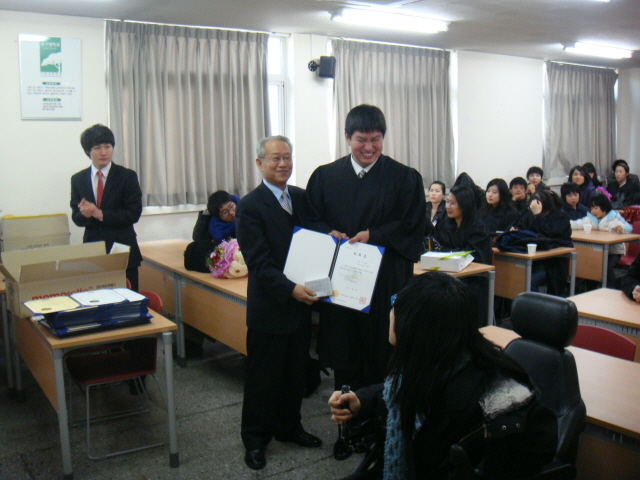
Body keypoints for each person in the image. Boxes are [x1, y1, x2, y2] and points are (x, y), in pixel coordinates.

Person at [328, 272, 557, 480]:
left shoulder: (493, 401)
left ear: (419, 326)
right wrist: (363, 401)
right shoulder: (434, 362)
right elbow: (408, 390)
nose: (391, 313)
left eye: (396, 306)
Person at [306, 104, 426, 392]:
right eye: (361, 139)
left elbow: (413, 223)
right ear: (347, 137)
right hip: (341, 282)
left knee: (383, 352)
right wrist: (327, 233)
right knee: (344, 351)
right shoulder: (325, 176)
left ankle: (381, 414)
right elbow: (310, 217)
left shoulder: (404, 177)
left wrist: (375, 235)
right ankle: (345, 414)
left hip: (385, 279)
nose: (369, 147)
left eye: (376, 139)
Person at [236, 135, 322, 470]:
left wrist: (333, 238)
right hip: (271, 307)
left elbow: (316, 235)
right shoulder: (250, 205)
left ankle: (290, 427)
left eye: (287, 157)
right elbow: (258, 263)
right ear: (260, 163)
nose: (283, 163)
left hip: (300, 306)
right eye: (275, 158)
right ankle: (255, 440)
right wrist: (290, 290)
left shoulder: (299, 197)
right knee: (263, 378)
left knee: (295, 373)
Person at [70, 124, 143, 291]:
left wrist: (99, 213)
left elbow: (133, 214)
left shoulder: (127, 176)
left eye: (107, 147)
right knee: (96, 298)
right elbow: (76, 217)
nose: (103, 152)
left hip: (122, 248)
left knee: (128, 299)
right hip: (93, 251)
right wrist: (85, 214)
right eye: (97, 148)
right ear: (88, 151)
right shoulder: (78, 179)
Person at [432, 184, 492, 325]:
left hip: (471, 280)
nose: (448, 207)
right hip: (447, 273)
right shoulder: (445, 224)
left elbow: (473, 257)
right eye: (447, 202)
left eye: (453, 203)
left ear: (464, 205)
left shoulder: (478, 229)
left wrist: (448, 252)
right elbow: (436, 246)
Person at [517, 190, 572, 295]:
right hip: (531, 261)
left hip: (552, 265)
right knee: (513, 277)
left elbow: (550, 232)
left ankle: (537, 305)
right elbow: (522, 229)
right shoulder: (530, 215)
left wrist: (538, 215)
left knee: (528, 281)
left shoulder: (561, 217)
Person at [571, 194, 632, 289]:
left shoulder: (614, 218)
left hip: (614, 251)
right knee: (592, 266)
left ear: (604, 207)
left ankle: (610, 289)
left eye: (596, 208)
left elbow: (628, 227)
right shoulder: (590, 219)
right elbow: (577, 224)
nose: (593, 211)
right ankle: (591, 289)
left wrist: (621, 228)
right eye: (591, 208)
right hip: (597, 250)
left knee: (606, 268)